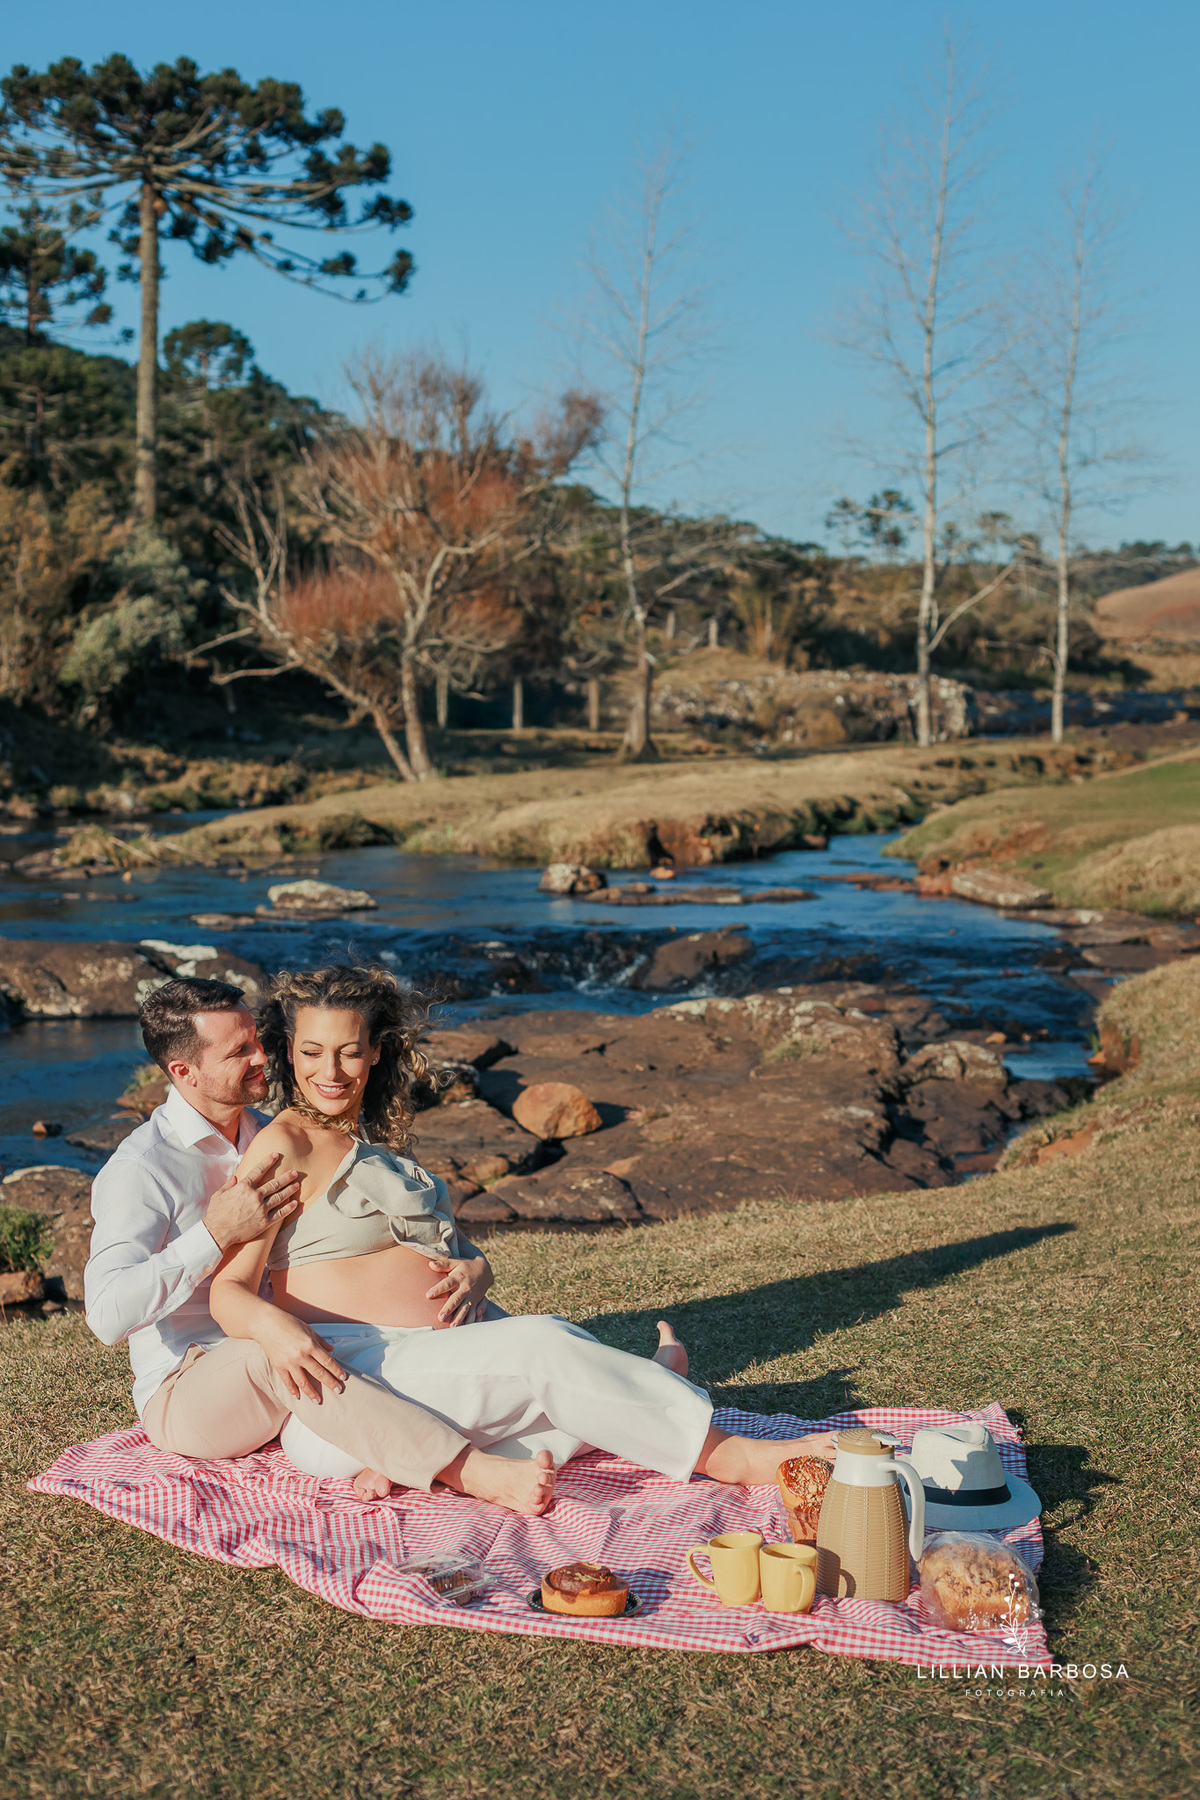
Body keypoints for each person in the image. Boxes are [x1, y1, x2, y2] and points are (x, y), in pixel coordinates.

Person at [209, 962, 838, 1504]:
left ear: (376, 1051)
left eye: (349, 1051)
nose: (331, 1069)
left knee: (559, 1360)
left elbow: (436, 1251)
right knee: (545, 1347)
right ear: (289, 1051)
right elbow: (228, 1290)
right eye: (312, 1051)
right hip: (356, 1377)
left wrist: (478, 1270)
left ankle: (423, 1458)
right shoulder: (283, 1145)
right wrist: (274, 1330)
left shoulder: (366, 1142)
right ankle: (732, 1455)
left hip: (438, 1361)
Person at [84, 976, 571, 1515]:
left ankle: (400, 1447)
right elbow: (105, 1315)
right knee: (267, 1349)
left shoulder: (274, 1133)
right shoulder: (141, 1169)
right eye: (239, 1051)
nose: (262, 1057)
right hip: (193, 1385)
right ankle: (468, 1471)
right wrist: (215, 1234)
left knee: (482, 1355)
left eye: (257, 1040)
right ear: (184, 1071)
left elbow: (396, 1219)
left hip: (308, 1354)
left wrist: (474, 1263)